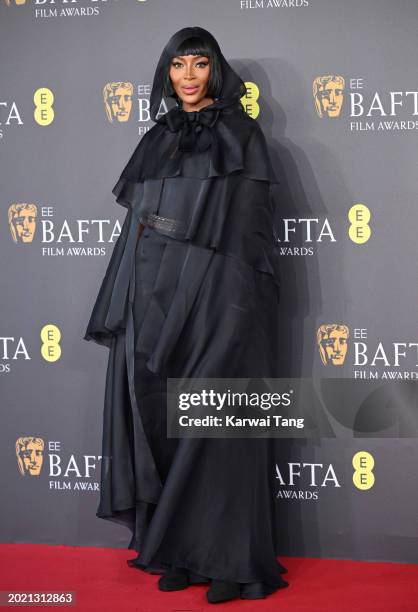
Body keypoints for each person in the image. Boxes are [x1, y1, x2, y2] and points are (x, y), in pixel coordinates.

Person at [84, 25, 289, 604]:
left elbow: (247, 233)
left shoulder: (244, 136)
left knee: (221, 427)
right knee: (159, 419)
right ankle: (178, 550)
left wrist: (234, 309)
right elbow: (138, 228)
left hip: (221, 299)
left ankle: (230, 561)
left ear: (215, 70)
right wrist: (127, 305)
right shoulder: (156, 139)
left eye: (199, 63)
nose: (189, 76)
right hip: (153, 298)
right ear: (167, 73)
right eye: (178, 65)